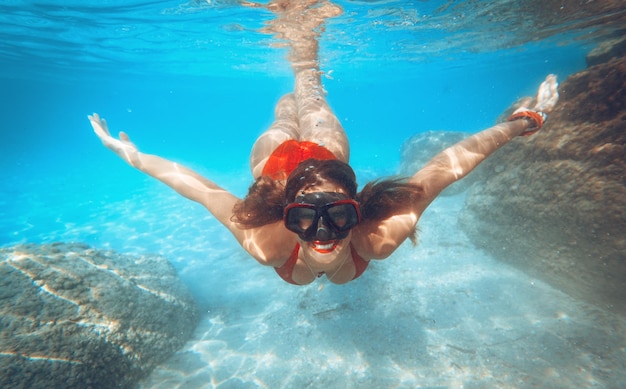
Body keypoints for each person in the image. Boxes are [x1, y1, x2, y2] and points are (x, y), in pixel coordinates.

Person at [88, 0, 559, 286]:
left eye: (338, 215)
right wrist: (127, 153)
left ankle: (301, 64)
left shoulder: (368, 237)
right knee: (287, 111)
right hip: (279, 169)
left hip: (313, 161)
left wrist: (523, 122)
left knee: (307, 93)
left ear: (356, 207)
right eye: (306, 218)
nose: (323, 233)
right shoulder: (276, 241)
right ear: (285, 213)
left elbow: (446, 166)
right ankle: (293, 80)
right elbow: (197, 188)